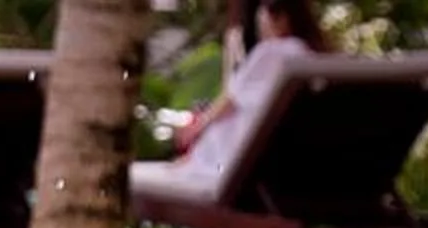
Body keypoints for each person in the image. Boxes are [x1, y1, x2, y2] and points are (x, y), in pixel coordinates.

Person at [133, 0, 331, 205]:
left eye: (262, 22)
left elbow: (231, 99)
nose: (261, 30)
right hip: (284, 158)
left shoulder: (271, 51)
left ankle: (193, 162)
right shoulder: (308, 54)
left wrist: (196, 128)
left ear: (280, 20)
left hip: (245, 162)